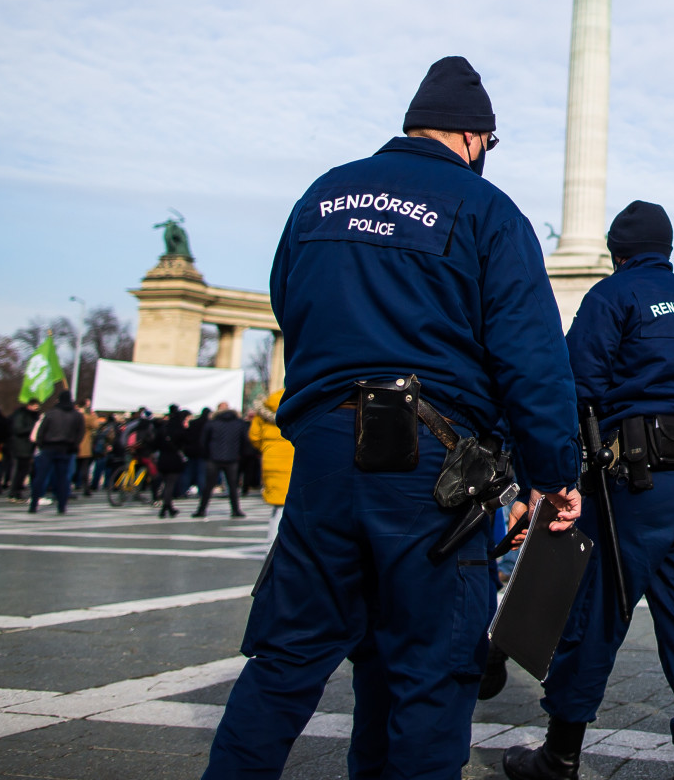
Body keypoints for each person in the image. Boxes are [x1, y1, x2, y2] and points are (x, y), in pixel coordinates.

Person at [205, 56, 582, 780]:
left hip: (323, 453)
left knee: (287, 658)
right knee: (433, 669)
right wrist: (552, 474)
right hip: (428, 470)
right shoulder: (486, 209)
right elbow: (531, 357)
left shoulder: (321, 195)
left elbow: (291, 307)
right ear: (477, 139)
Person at [505, 200, 674, 780]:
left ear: (617, 252)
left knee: (596, 612)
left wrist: (546, 477)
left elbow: (576, 385)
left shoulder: (615, 296)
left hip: (632, 481)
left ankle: (560, 755)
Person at [247, 390, 292, 546]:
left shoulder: (263, 411)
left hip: (271, 459)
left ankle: (271, 546)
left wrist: (267, 447)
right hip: (293, 458)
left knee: (278, 507)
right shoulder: (296, 404)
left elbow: (254, 436)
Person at [28, 391, 84, 514]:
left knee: (41, 477)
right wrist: (73, 446)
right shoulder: (77, 415)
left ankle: (33, 504)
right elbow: (80, 434)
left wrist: (41, 444)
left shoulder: (51, 413)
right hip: (66, 448)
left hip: (48, 447)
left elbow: (41, 432)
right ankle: (62, 505)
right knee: (63, 478)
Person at [195, 400, 249, 518]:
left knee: (209, 485)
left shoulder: (212, 423)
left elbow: (203, 441)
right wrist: (240, 454)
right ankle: (236, 510)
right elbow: (245, 440)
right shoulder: (239, 423)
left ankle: (202, 509)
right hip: (232, 458)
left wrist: (207, 454)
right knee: (233, 486)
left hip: (214, 458)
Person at [155, 407, 188, 518]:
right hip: (174, 458)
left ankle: (168, 507)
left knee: (166, 483)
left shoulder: (163, 428)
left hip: (163, 458)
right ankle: (166, 507)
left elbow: (156, 443)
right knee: (170, 484)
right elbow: (184, 443)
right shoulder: (179, 429)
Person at [6, 399, 40, 500]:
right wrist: (34, 427)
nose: (36, 408)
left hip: (28, 447)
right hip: (21, 446)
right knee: (20, 470)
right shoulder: (22, 415)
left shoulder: (34, 416)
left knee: (25, 471)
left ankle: (17, 491)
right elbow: (18, 429)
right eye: (34, 406)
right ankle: (15, 492)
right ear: (29, 406)